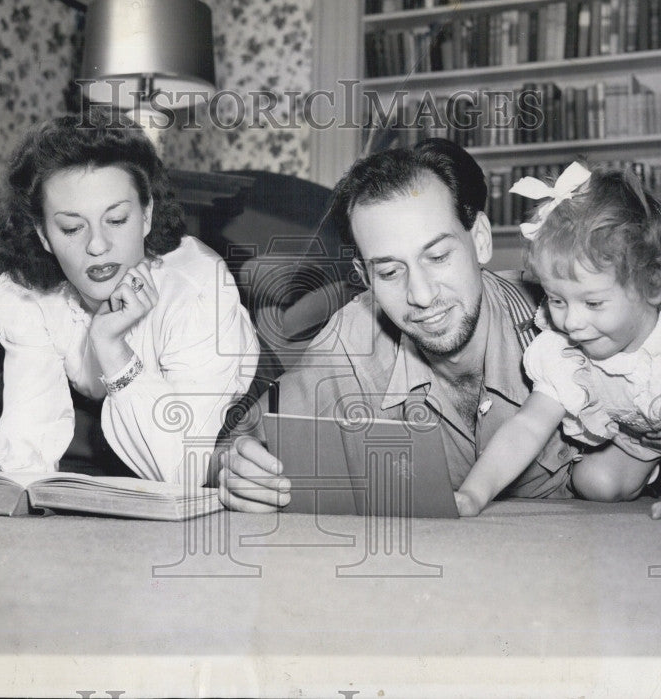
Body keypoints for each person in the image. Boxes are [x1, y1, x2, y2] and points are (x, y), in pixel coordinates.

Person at [217, 138, 581, 512]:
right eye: (390, 272)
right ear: (366, 277)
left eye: (438, 256)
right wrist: (235, 467)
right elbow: (234, 446)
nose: (421, 295)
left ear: (481, 240)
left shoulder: (569, 318)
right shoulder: (352, 339)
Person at [0, 116, 259, 485]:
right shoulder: (26, 296)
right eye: (72, 228)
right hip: (95, 403)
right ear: (43, 235)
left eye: (116, 220)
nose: (97, 246)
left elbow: (180, 470)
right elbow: (29, 436)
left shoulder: (197, 293)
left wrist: (110, 343)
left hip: (220, 408)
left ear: (147, 215)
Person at [455, 163, 661, 522]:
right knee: (595, 482)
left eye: (593, 303)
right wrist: (473, 494)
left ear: (654, 284)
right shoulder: (565, 346)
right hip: (649, 437)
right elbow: (527, 426)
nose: (571, 320)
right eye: (557, 300)